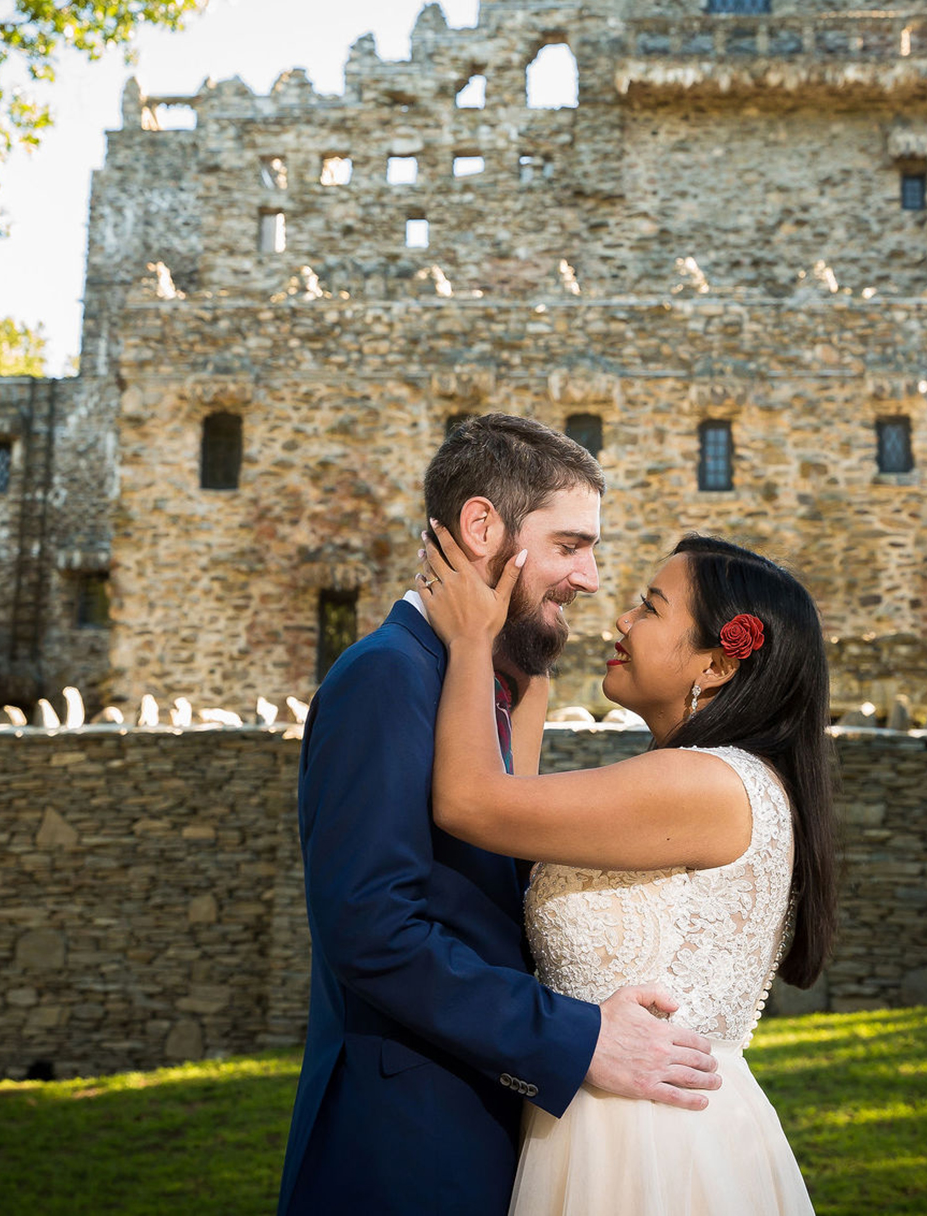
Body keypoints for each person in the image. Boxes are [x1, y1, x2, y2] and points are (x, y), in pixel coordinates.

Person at [278, 415, 722, 1216]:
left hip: (485, 1132)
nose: (589, 579)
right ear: (484, 527)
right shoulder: (386, 677)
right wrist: (577, 1038)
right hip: (405, 1151)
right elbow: (371, 931)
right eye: (570, 545)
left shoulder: (473, 682)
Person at [419, 524, 838, 1216]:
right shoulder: (714, 780)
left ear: (716, 666)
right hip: (610, 1120)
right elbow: (512, 811)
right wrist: (527, 659)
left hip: (647, 1147)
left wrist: (467, 640)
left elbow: (470, 803)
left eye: (649, 607)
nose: (621, 617)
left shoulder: (700, 784)